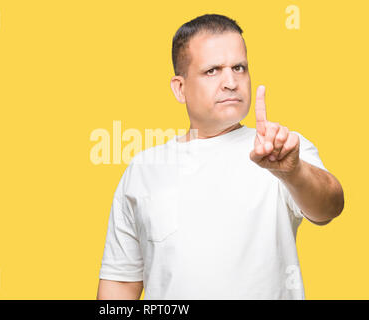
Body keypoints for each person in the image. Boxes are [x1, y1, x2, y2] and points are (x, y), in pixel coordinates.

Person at [96, 14, 344, 300]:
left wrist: (294, 172)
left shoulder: (280, 149)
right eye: (212, 71)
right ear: (180, 87)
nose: (231, 82)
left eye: (239, 68)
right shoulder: (143, 169)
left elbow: (330, 206)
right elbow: (120, 283)